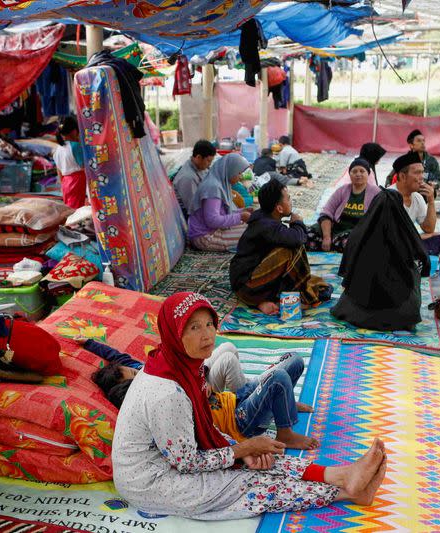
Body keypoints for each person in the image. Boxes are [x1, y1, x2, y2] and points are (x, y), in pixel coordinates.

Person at [112, 292, 388, 520]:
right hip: (149, 481)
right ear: (174, 334)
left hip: (171, 458)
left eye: (209, 324)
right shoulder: (166, 391)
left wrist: (242, 452)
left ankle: (340, 475)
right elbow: (188, 463)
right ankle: (348, 492)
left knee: (260, 457)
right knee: (250, 483)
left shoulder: (181, 367)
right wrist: (240, 450)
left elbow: (204, 429)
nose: (207, 335)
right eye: (193, 327)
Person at [86, 338, 318, 449]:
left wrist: (88, 343)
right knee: (277, 378)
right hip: (240, 421)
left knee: (293, 360)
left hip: (233, 398)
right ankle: (285, 432)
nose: (138, 374)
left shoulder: (148, 371)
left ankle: (282, 401)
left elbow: (118, 356)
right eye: (133, 376)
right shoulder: (155, 400)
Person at [330, 190, 429, 331]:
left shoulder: (358, 234)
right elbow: (423, 260)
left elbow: (347, 268)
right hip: (399, 312)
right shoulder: (404, 235)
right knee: (412, 273)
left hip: (359, 307)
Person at [230, 179, 332, 315]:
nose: (291, 201)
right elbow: (297, 239)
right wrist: (298, 223)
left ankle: (272, 298)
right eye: (288, 199)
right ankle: (276, 299)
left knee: (319, 284)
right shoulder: (267, 226)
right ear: (279, 208)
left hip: (245, 281)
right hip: (247, 286)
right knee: (290, 250)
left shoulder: (264, 218)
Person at [308, 158, 381, 253]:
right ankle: (331, 243)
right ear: (349, 174)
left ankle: (333, 244)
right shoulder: (342, 190)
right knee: (306, 235)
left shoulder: (376, 193)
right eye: (354, 171)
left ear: (368, 174)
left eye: (362, 171)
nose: (358, 174)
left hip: (357, 232)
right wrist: (326, 237)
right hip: (336, 229)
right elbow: (326, 213)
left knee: (350, 244)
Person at [188, 153, 253, 252]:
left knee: (255, 226)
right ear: (230, 170)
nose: (240, 177)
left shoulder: (217, 183)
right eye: (239, 173)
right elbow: (213, 220)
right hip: (204, 237)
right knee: (256, 232)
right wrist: (240, 216)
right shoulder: (213, 188)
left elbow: (221, 212)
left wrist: (241, 211)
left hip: (210, 231)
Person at [388, 152, 440, 257]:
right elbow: (389, 235)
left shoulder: (417, 197)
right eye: (417, 173)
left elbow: (428, 229)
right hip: (388, 245)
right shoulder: (388, 197)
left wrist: (431, 201)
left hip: (407, 243)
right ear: (402, 176)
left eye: (422, 173)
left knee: (438, 239)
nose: (422, 178)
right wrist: (416, 238)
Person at [387, 130, 440, 194]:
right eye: (419, 141)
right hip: (407, 193)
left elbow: (438, 180)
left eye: (423, 140)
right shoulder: (405, 160)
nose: (422, 143)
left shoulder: (431, 161)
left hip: (425, 193)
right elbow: (390, 178)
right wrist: (389, 190)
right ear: (411, 145)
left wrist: (434, 185)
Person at [173, 140, 217, 216]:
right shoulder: (187, 178)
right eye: (208, 161)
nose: (209, 165)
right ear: (198, 157)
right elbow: (194, 209)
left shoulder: (201, 168)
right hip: (190, 217)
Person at [54, 116, 87, 209]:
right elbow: (84, 166)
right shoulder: (75, 146)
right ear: (74, 130)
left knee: (69, 208)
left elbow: (59, 171)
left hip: (65, 182)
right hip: (77, 181)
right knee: (76, 209)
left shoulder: (57, 149)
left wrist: (62, 185)